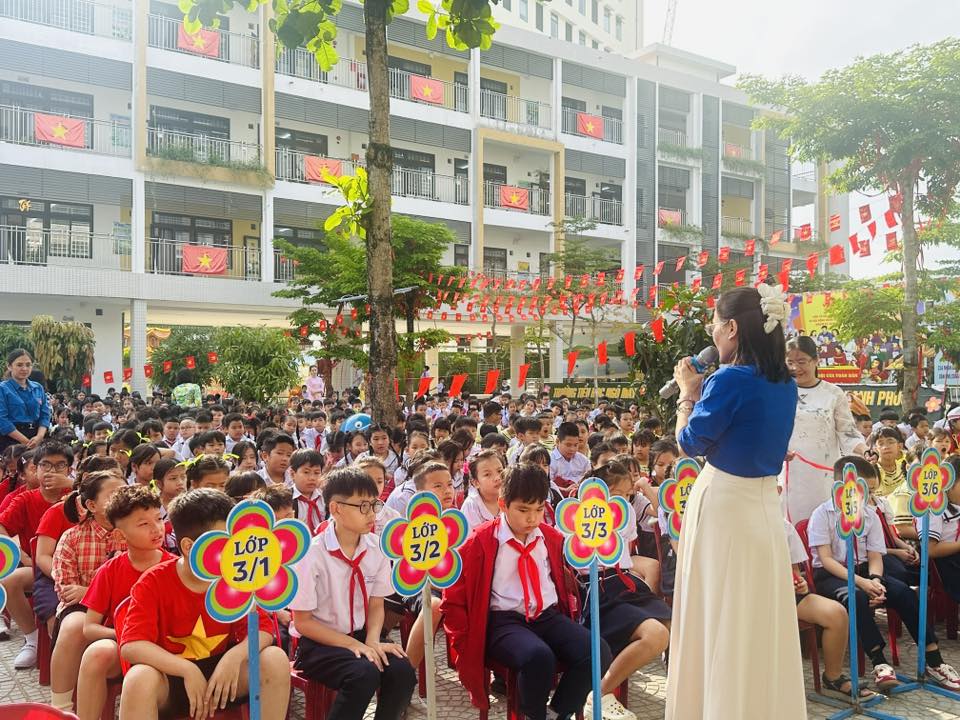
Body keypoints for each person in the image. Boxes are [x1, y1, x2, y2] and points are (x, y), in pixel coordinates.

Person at [667, 285, 806, 719]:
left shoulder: (727, 379)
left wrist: (687, 392)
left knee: (716, 612)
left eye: (714, 324)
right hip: (763, 509)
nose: (712, 333)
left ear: (730, 328)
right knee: (754, 617)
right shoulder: (785, 384)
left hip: (724, 504)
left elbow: (690, 443)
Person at [442, 463, 611, 720]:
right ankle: (534, 715)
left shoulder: (550, 538)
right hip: (503, 622)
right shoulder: (480, 541)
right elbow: (454, 596)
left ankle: (558, 712)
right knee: (538, 657)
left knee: (597, 650)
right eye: (523, 510)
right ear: (503, 504)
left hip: (547, 616)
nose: (532, 518)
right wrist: (465, 639)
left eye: (539, 509)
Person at [118, 488, 291, 720]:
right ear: (189, 547)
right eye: (221, 543)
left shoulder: (237, 576)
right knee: (139, 678)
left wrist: (233, 657)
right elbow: (132, 646)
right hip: (171, 678)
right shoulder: (153, 581)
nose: (231, 552)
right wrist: (186, 670)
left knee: (275, 659)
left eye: (232, 541)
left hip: (223, 678)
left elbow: (263, 630)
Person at [808, 455, 960, 692]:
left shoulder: (870, 514)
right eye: (865, 490)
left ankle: (934, 660)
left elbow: (875, 556)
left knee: (903, 592)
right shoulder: (822, 514)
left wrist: (876, 580)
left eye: (872, 491)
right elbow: (826, 560)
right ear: (842, 485)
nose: (869, 496)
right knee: (857, 596)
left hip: (865, 571)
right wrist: (862, 583)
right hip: (832, 575)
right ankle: (880, 663)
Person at [288, 467, 416, 720]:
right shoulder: (312, 554)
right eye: (363, 506)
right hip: (319, 644)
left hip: (361, 634)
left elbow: (376, 604)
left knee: (403, 670)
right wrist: (355, 645)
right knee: (363, 674)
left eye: (374, 505)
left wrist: (372, 640)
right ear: (336, 509)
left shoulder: (376, 547)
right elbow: (303, 623)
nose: (372, 514)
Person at [76, 485, 174, 720]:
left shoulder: (176, 567)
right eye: (143, 524)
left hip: (167, 651)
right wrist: (129, 637)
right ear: (120, 536)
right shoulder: (109, 571)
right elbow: (90, 627)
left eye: (158, 519)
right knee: (96, 653)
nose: (156, 529)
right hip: (122, 647)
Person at [780, 335, 866, 523]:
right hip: (790, 472)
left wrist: (865, 451)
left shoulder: (833, 393)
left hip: (823, 475)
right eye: (790, 362)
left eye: (801, 361)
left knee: (824, 525)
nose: (795, 368)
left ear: (816, 360)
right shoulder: (778, 392)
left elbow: (848, 432)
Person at [0, 349, 51, 453]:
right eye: (19, 365)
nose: (24, 368)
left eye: (28, 365)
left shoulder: (38, 388)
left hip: (36, 438)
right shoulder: (3, 389)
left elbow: (45, 415)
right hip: (11, 439)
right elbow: (2, 420)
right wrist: (25, 442)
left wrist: (39, 437)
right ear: (9, 366)